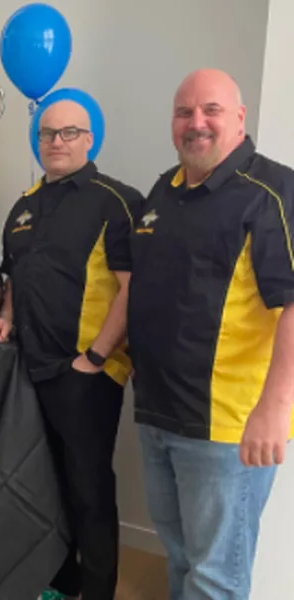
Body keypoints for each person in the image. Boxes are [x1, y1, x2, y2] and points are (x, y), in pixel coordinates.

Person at [128, 68, 294, 600]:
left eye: (211, 111)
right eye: (184, 112)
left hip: (226, 428)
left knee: (216, 575)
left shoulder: (272, 191)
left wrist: (275, 408)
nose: (196, 123)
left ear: (240, 119)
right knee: (180, 557)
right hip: (158, 413)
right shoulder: (163, 189)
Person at [0, 100, 144, 600]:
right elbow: (16, 279)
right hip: (31, 369)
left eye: (70, 132)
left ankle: (97, 591)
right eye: (49, 133)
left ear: (89, 139)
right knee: (48, 483)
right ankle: (61, 582)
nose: (57, 141)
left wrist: (95, 357)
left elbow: (132, 287)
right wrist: (6, 319)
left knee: (90, 489)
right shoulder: (24, 205)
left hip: (86, 375)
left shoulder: (115, 201)